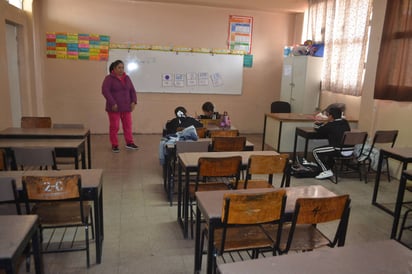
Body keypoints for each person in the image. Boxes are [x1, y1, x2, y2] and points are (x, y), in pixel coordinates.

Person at [102, 60, 139, 153]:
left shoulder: (127, 78)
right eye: (119, 67)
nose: (121, 69)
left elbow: (132, 91)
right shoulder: (109, 78)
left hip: (126, 107)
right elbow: (105, 91)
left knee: (128, 126)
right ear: (114, 69)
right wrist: (113, 103)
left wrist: (133, 102)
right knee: (115, 127)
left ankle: (129, 143)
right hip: (114, 108)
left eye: (122, 67)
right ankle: (114, 145)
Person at [312, 107, 351, 179]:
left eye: (328, 115)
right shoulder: (345, 122)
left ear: (331, 116)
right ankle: (329, 167)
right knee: (328, 149)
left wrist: (323, 123)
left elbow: (320, 130)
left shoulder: (331, 124)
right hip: (350, 150)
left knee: (315, 151)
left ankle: (326, 171)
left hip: (338, 149)